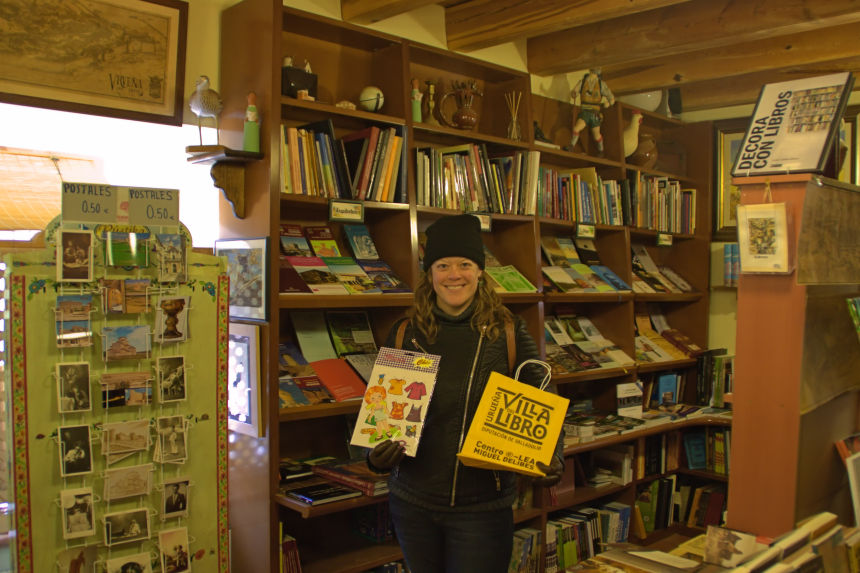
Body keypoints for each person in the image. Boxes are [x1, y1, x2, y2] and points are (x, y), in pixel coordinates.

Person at [367, 214, 564, 573]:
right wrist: (375, 456)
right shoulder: (403, 333)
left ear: (480, 271)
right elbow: (381, 414)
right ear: (430, 274)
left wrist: (553, 455)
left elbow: (542, 396)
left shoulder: (508, 333)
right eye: (442, 265)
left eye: (464, 264)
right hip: (412, 504)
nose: (453, 274)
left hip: (482, 510)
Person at [567, 68, 615, 156]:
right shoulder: (583, 82)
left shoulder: (601, 84)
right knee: (576, 128)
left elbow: (611, 98)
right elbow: (575, 91)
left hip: (594, 113)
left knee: (596, 135)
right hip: (585, 111)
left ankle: (601, 150)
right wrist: (574, 93)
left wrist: (608, 103)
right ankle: (571, 146)